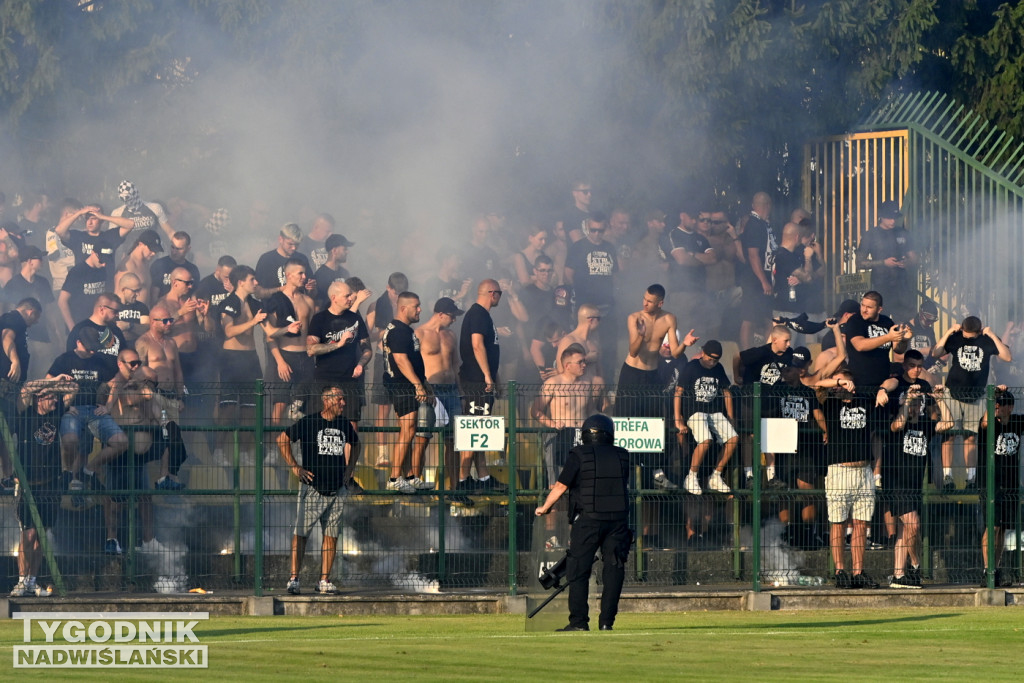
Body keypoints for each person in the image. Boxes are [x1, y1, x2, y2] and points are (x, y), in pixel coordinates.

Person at [535, 413, 631, 632]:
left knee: (578, 571)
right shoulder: (623, 455)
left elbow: (560, 487)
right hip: (617, 522)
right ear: (610, 434)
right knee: (614, 570)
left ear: (585, 435)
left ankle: (578, 623)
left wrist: (545, 507)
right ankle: (607, 623)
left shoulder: (579, 454)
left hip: (588, 521)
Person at [880, 356, 953, 588]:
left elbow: (949, 423)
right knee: (912, 524)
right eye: (913, 403)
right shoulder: (899, 421)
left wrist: (940, 400)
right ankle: (914, 564)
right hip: (897, 479)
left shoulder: (924, 424)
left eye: (917, 403)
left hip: (914, 483)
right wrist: (905, 402)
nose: (915, 405)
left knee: (906, 529)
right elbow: (898, 425)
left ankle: (899, 575)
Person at [278, 385, 357, 595]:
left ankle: (324, 580)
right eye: (339, 399)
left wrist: (349, 470)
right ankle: (294, 579)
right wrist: (295, 466)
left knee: (331, 535)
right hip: (312, 487)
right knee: (301, 534)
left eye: (343, 399)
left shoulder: (344, 423)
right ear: (327, 400)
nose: (343, 403)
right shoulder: (309, 422)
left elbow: (356, 445)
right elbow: (282, 439)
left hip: (337, 489)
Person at [8, 376, 78, 598]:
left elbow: (73, 389)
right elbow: (26, 389)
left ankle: (32, 581)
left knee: (41, 536)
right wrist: (54, 379)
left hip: (50, 483)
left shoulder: (56, 415)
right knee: (27, 535)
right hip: (28, 484)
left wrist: (56, 388)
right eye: (51, 398)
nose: (56, 401)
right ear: (39, 399)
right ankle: (21, 580)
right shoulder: (25, 415)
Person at [817, 370, 881, 589]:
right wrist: (837, 382)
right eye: (839, 383)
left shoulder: (864, 399)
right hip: (839, 469)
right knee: (838, 523)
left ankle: (858, 571)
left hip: (864, 470)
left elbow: (889, 384)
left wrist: (881, 390)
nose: (843, 387)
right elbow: (816, 385)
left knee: (861, 524)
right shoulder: (830, 403)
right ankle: (840, 571)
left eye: (846, 382)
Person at [932, 315, 1012, 490]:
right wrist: (948, 332)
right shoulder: (955, 338)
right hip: (953, 393)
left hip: (976, 396)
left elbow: (1007, 357)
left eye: (971, 336)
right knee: (949, 435)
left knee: (970, 437)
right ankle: (947, 478)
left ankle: (971, 479)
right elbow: (935, 352)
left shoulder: (986, 340)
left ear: (979, 330)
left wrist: (992, 335)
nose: (967, 338)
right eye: (965, 335)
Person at [306, 279, 369, 490]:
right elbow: (311, 349)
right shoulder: (320, 319)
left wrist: (361, 363)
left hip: (349, 381)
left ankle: (346, 476)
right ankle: (318, 472)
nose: (351, 298)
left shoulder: (355, 318)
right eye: (347, 296)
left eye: (352, 295)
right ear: (334, 297)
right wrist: (338, 344)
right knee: (321, 427)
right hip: (324, 379)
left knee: (351, 427)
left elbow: (367, 348)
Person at [532, 344, 606, 489]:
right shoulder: (553, 383)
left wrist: (604, 420)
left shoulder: (586, 384)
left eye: (584, 361)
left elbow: (590, 411)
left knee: (582, 483)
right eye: (580, 362)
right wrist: (552, 424)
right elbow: (536, 411)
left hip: (581, 437)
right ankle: (554, 510)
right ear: (567, 365)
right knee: (558, 485)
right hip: (560, 436)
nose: (584, 365)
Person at [456, 279, 506, 493]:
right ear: (492, 293)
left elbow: (489, 350)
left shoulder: (484, 315)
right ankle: (463, 481)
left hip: (483, 381)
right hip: (476, 383)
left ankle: (484, 478)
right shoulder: (477, 314)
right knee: (473, 431)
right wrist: (487, 376)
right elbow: (477, 345)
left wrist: (496, 378)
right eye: (500, 294)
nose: (499, 298)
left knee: (481, 430)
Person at [381, 291, 433, 493]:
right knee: (408, 429)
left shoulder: (404, 330)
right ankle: (394, 478)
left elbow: (414, 360)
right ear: (403, 308)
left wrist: (424, 382)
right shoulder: (399, 331)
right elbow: (401, 361)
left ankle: (410, 476)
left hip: (408, 384)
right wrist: (417, 385)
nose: (420, 309)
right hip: (402, 385)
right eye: (416, 306)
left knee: (408, 430)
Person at [734, 325, 794, 488]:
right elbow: (737, 357)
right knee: (749, 436)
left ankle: (771, 476)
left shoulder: (788, 354)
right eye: (786, 341)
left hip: (771, 401)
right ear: (775, 340)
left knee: (771, 437)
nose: (788, 344)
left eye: (789, 341)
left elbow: (790, 370)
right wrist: (737, 376)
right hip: (750, 400)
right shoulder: (760, 353)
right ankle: (749, 476)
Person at [675, 340, 737, 495]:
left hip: (714, 412)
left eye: (716, 360)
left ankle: (715, 476)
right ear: (703, 353)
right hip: (695, 411)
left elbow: (726, 392)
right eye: (710, 358)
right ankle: (691, 477)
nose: (712, 362)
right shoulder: (691, 367)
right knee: (706, 440)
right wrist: (678, 418)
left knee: (733, 438)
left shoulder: (719, 368)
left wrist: (730, 416)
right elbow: (679, 391)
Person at [414, 297, 463, 492]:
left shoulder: (451, 335)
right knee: (422, 437)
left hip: (451, 390)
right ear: (440, 314)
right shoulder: (419, 334)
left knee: (453, 440)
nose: (454, 320)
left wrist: (462, 393)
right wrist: (419, 388)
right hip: (429, 392)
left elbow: (456, 364)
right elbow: (412, 364)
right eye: (451, 316)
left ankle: (454, 489)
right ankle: (415, 482)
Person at [977, 387, 1024, 587]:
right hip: (990, 483)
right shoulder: (989, 422)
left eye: (1001, 406)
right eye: (995, 406)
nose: (998, 409)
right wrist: (993, 398)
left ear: (1010, 407)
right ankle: (987, 571)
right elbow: (985, 423)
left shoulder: (1016, 422)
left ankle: (995, 569)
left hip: (1010, 484)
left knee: (1002, 529)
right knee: (992, 526)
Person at [218, 265, 266, 455]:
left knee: (251, 409)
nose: (256, 283)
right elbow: (228, 331)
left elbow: (268, 331)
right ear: (241, 282)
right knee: (228, 408)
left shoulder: (254, 303)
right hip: (231, 359)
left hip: (251, 359)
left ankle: (246, 453)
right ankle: (219, 451)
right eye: (252, 279)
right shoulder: (229, 302)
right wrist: (253, 322)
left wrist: (289, 330)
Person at [261, 258, 314, 421]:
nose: (304, 276)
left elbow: (311, 332)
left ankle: (298, 444)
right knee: (280, 404)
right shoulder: (276, 300)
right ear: (289, 275)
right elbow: (269, 336)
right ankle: (271, 445)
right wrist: (280, 362)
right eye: (300, 273)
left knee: (302, 406)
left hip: (305, 357)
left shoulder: (308, 301)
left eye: (305, 273)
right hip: (285, 355)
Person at [856, 200, 917, 323]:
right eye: (889, 217)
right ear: (881, 216)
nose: (893, 221)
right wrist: (883, 263)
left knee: (903, 325)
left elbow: (914, 258)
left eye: (895, 217)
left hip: (902, 287)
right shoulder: (871, 235)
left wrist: (907, 263)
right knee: (879, 323)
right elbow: (859, 262)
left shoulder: (903, 233)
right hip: (881, 287)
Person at [738, 192, 777, 349]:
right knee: (749, 318)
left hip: (761, 279)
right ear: (768, 205)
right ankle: (746, 355)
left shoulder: (762, 224)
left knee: (767, 319)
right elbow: (753, 255)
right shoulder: (754, 224)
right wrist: (763, 281)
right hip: (754, 280)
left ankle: (764, 354)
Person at [311, 233, 354, 310]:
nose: (347, 252)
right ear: (334, 251)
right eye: (344, 249)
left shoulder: (345, 273)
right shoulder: (320, 275)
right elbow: (318, 304)